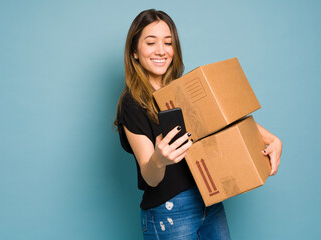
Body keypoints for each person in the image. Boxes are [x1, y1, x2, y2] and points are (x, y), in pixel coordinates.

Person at [114, 9, 282, 240]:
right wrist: (158, 159)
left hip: (208, 200)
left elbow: (223, 120)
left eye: (168, 42)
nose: (161, 50)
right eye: (150, 43)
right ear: (134, 51)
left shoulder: (181, 88)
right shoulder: (132, 103)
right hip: (169, 211)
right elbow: (150, 176)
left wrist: (271, 139)